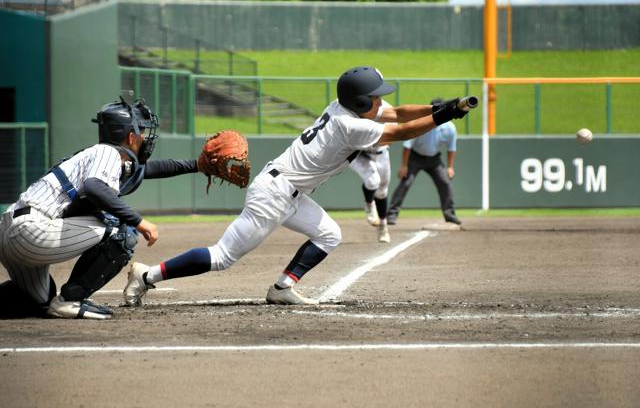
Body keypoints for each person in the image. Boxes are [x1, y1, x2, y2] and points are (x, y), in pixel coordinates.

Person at [123, 66, 471, 307]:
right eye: (376, 97)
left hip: (290, 192)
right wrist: (444, 116)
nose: (381, 102)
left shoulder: (345, 107)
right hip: (274, 194)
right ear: (362, 102)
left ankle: (283, 287)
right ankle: (146, 276)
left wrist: (440, 106)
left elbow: (398, 114)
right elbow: (402, 130)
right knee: (222, 257)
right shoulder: (351, 126)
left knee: (329, 234)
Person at [0, 97, 202, 319]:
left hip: (11, 233)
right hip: (31, 232)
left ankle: (51, 300)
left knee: (38, 301)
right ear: (130, 135)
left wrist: (197, 165)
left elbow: (151, 169)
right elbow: (94, 188)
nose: (145, 137)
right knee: (121, 231)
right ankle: (70, 300)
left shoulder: (99, 155)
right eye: (142, 131)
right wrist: (139, 221)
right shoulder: (108, 153)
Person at [387, 98, 460, 225]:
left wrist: (450, 167)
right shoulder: (420, 124)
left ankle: (449, 214)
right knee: (406, 183)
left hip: (434, 159)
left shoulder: (450, 128)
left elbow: (451, 148)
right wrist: (404, 166)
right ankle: (391, 215)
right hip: (415, 158)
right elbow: (407, 145)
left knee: (445, 183)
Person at [348, 99, 394, 243]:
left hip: (380, 153)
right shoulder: (353, 107)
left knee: (382, 191)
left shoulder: (388, 109)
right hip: (358, 153)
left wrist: (371, 140)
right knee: (373, 181)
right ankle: (369, 205)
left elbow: (390, 138)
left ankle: (383, 227)